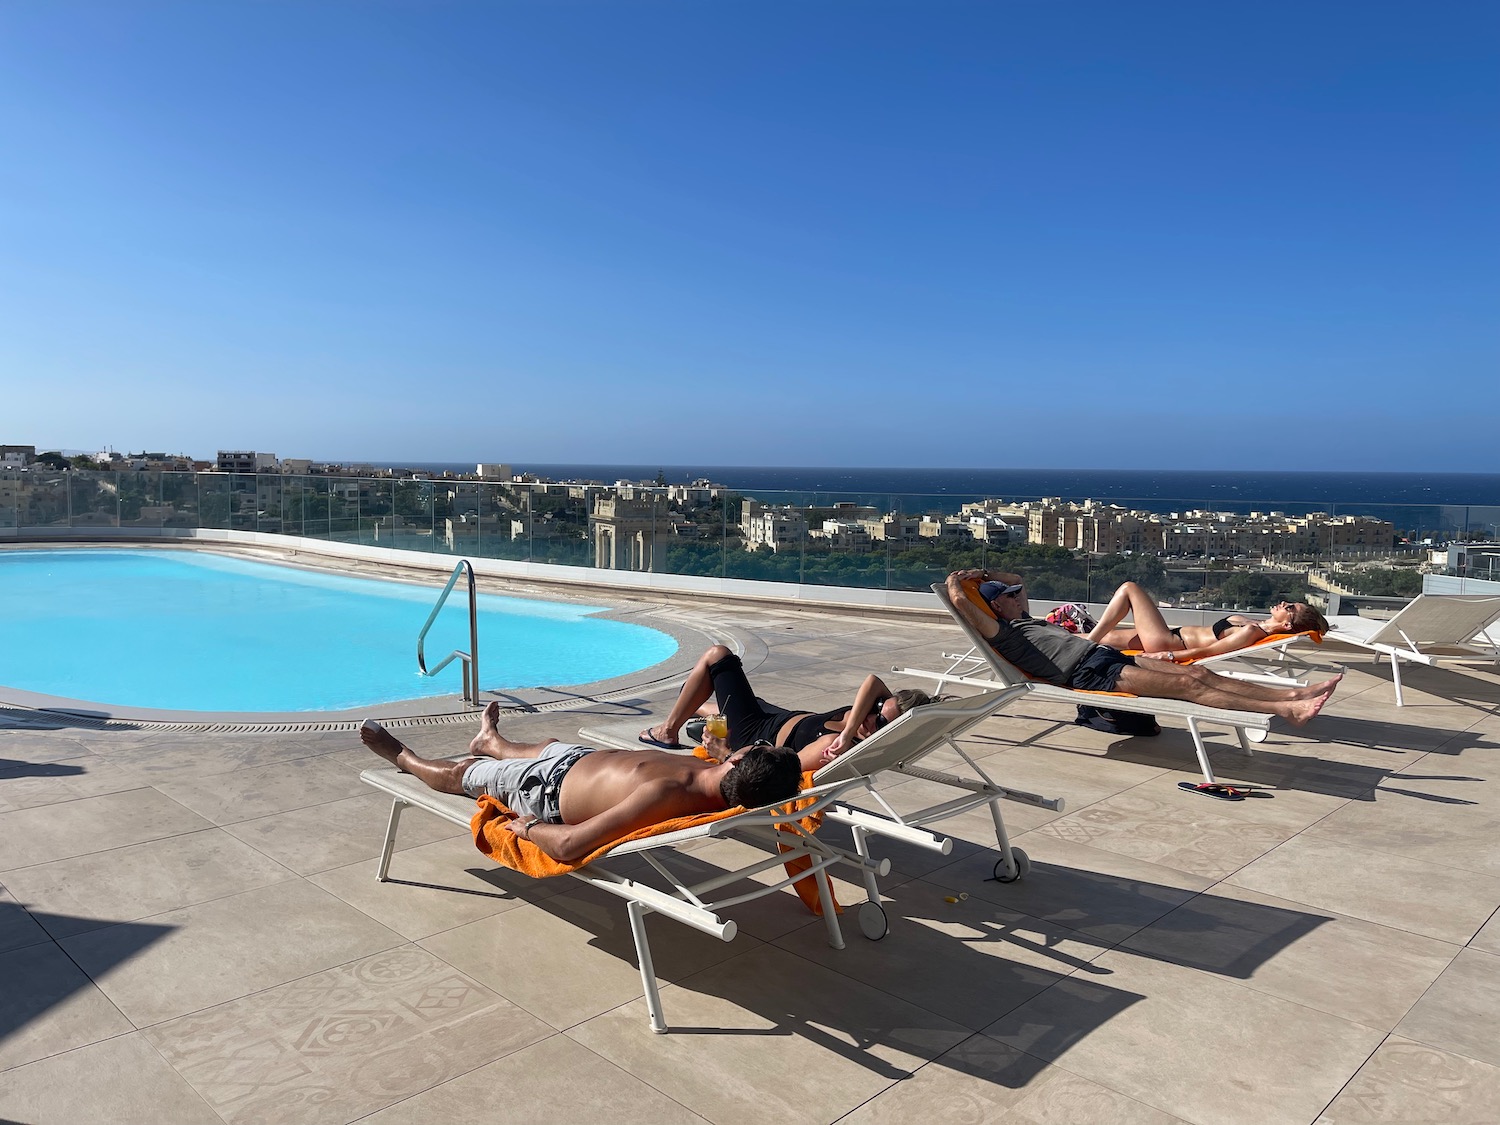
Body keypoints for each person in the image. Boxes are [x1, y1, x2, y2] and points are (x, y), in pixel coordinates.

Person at [361, 702, 803, 865]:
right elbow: (725, 764)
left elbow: (572, 845)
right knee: (548, 743)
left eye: (753, 747)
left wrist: (526, 829)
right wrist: (723, 752)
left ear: (745, 759)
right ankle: (493, 741)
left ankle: (404, 756)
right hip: (571, 759)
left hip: (542, 789)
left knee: (462, 774)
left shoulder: (669, 795)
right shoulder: (718, 774)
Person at [945, 568, 1341, 725]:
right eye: (1011, 595)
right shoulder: (1003, 630)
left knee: (1199, 673)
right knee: (1190, 688)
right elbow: (963, 606)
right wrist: (956, 586)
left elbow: (1017, 579)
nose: (1019, 596)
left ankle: (1294, 692)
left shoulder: (1022, 618)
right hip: (1087, 672)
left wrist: (987, 575)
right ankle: (1287, 709)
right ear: (998, 605)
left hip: (1101, 655)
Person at [638, 644, 935, 765]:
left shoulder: (830, 747)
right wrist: (852, 728)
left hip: (754, 734)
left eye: (882, 721)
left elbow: (774, 775)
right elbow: (872, 682)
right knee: (744, 699)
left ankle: (668, 730)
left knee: (718, 656)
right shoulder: (857, 724)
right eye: (878, 706)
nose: (873, 715)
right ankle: (698, 704)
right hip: (777, 715)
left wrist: (724, 753)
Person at [1086, 580, 1330, 662]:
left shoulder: (1251, 632)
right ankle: (1062, 641)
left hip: (1167, 643)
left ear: (1287, 624)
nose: (1284, 603)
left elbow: (1207, 651)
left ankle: (1083, 645)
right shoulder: (1257, 625)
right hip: (1171, 637)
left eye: (1289, 608)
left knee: (1130, 588)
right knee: (1104, 638)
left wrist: (1166, 657)